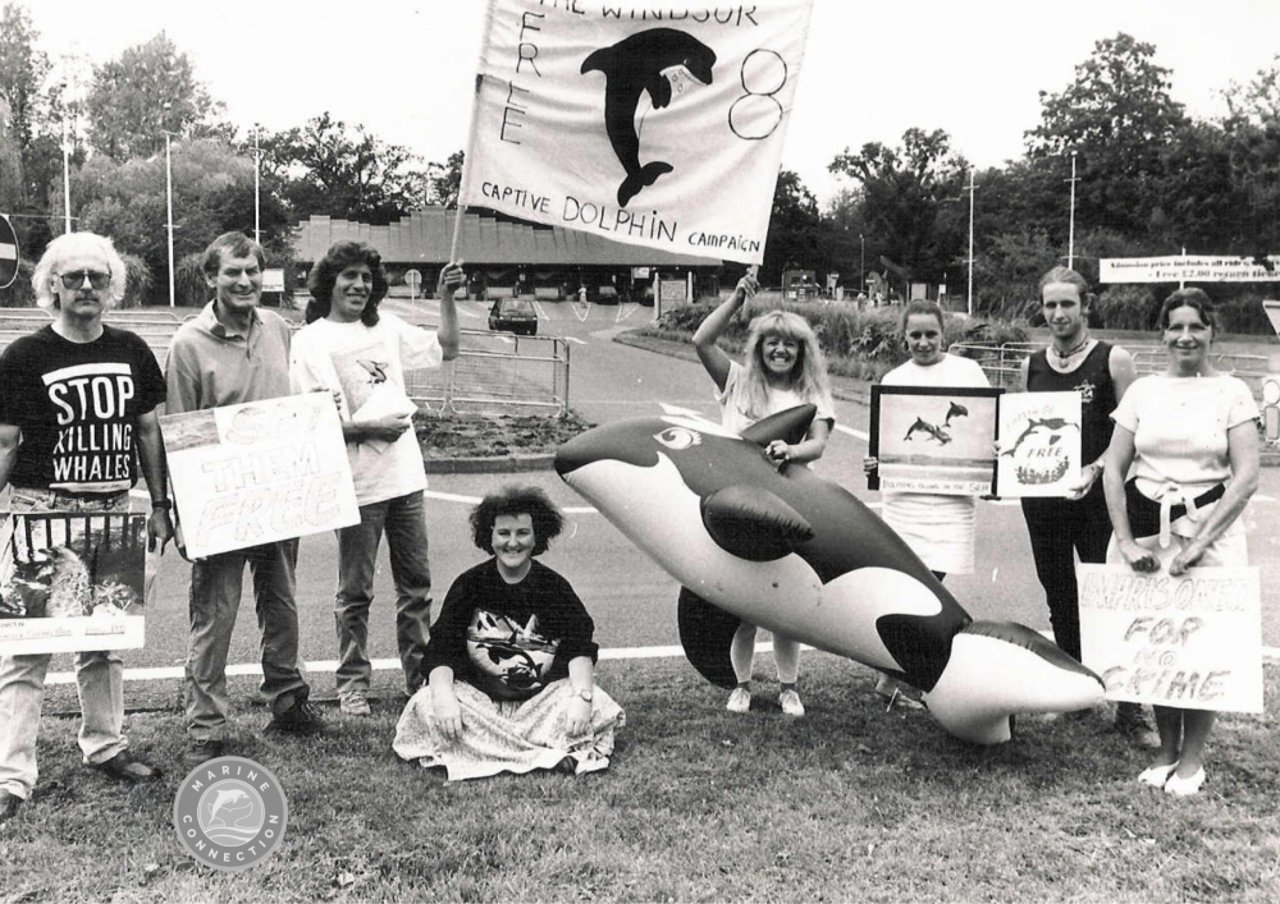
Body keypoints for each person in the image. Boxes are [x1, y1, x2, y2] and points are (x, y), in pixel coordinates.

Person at [0, 233, 169, 824]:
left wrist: (159, 505)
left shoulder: (132, 350)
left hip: (114, 507)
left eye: (98, 277)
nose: (87, 287)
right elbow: (5, 442)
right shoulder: (23, 356)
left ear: (112, 285)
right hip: (41, 507)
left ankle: (105, 746)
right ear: (52, 285)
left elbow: (148, 432)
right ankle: (12, 775)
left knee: (103, 643)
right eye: (74, 278)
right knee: (26, 651)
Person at [167, 232, 323, 767]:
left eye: (253, 271)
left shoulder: (278, 327)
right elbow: (178, 433)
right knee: (216, 612)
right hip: (220, 501)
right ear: (211, 276)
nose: (245, 281)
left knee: (281, 601)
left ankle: (287, 701)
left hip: (278, 495)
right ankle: (206, 725)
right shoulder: (188, 343)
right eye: (233, 272)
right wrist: (186, 516)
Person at [290, 242, 466, 716]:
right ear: (329, 282)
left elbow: (448, 348)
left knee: (416, 589)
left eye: (367, 278)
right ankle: (352, 684)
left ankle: (420, 679)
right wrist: (368, 428)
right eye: (349, 276)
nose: (359, 285)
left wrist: (447, 297)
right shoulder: (309, 341)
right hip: (355, 486)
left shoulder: (386, 328)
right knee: (355, 593)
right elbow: (308, 420)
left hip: (405, 480)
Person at [1102, 289, 1259, 797]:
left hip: (1210, 535)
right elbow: (1113, 467)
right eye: (1176, 326)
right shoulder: (1143, 391)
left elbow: (1247, 476)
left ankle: (1192, 761)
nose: (1185, 336)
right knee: (1156, 646)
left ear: (1212, 331)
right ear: (1162, 333)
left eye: (1196, 325)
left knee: (1200, 647)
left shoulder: (1233, 391)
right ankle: (1166, 751)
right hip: (1148, 532)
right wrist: (1125, 542)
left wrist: (1198, 544)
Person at [393, 486, 625, 780]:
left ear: (537, 536)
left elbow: (580, 648)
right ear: (489, 536)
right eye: (504, 533)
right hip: (481, 705)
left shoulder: (555, 588)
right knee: (424, 704)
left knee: (597, 705)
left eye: (522, 533)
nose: (512, 543)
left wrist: (582, 698)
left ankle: (484, 751)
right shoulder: (469, 584)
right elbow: (441, 651)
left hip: (538, 705)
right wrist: (443, 698)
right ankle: (545, 752)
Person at [1016, 267, 1155, 743]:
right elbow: (1023, 430)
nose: (1058, 314)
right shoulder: (1030, 364)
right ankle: (1075, 694)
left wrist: (1093, 470)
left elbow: (1133, 439)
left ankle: (1131, 708)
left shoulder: (1114, 360)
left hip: (1100, 502)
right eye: (1050, 305)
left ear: (1086, 306)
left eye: (1067, 304)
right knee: (1061, 596)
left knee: (1110, 597)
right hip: (1043, 502)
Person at [691, 272, 836, 717]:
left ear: (801, 351)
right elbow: (701, 341)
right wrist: (736, 300)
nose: (780, 350)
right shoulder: (736, 381)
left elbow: (818, 443)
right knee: (744, 605)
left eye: (789, 344)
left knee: (783, 604)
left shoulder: (811, 392)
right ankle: (743, 685)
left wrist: (791, 450)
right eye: (771, 342)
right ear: (759, 347)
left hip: (788, 503)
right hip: (735, 505)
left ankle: (789, 686)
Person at [862, 300, 989, 707]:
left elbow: (985, 426)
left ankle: (897, 676)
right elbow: (889, 438)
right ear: (903, 338)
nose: (922, 342)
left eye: (930, 334)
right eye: (914, 335)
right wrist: (876, 462)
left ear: (943, 335)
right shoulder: (894, 377)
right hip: (906, 501)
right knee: (909, 591)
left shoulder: (968, 372)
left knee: (933, 587)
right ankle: (896, 677)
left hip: (951, 499)